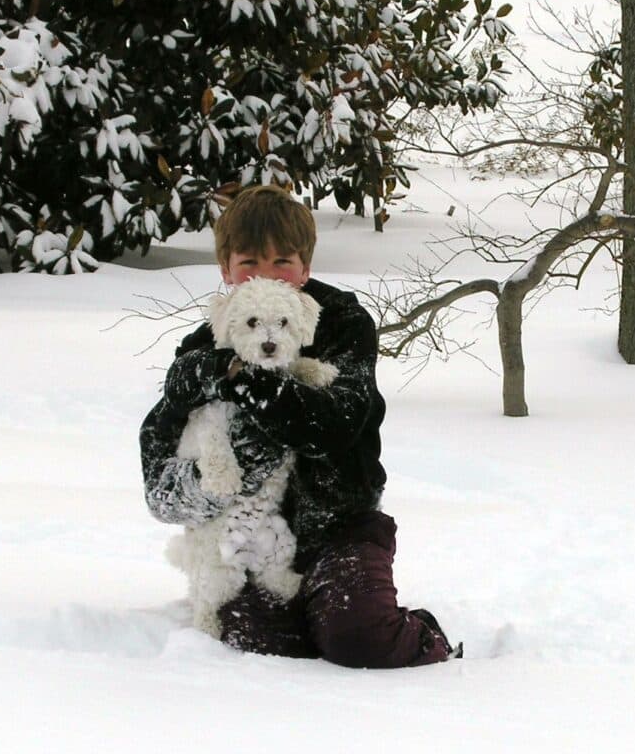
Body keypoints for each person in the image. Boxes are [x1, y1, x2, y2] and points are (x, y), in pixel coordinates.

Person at [140, 184, 459, 667]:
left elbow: (331, 426)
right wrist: (214, 478)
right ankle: (313, 618)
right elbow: (161, 482)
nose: (265, 276)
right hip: (251, 539)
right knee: (257, 641)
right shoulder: (204, 347)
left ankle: (419, 636)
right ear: (226, 269)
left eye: (282, 263)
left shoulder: (342, 324)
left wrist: (241, 381)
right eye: (248, 263)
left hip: (340, 527)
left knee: (357, 636)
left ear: (305, 268)